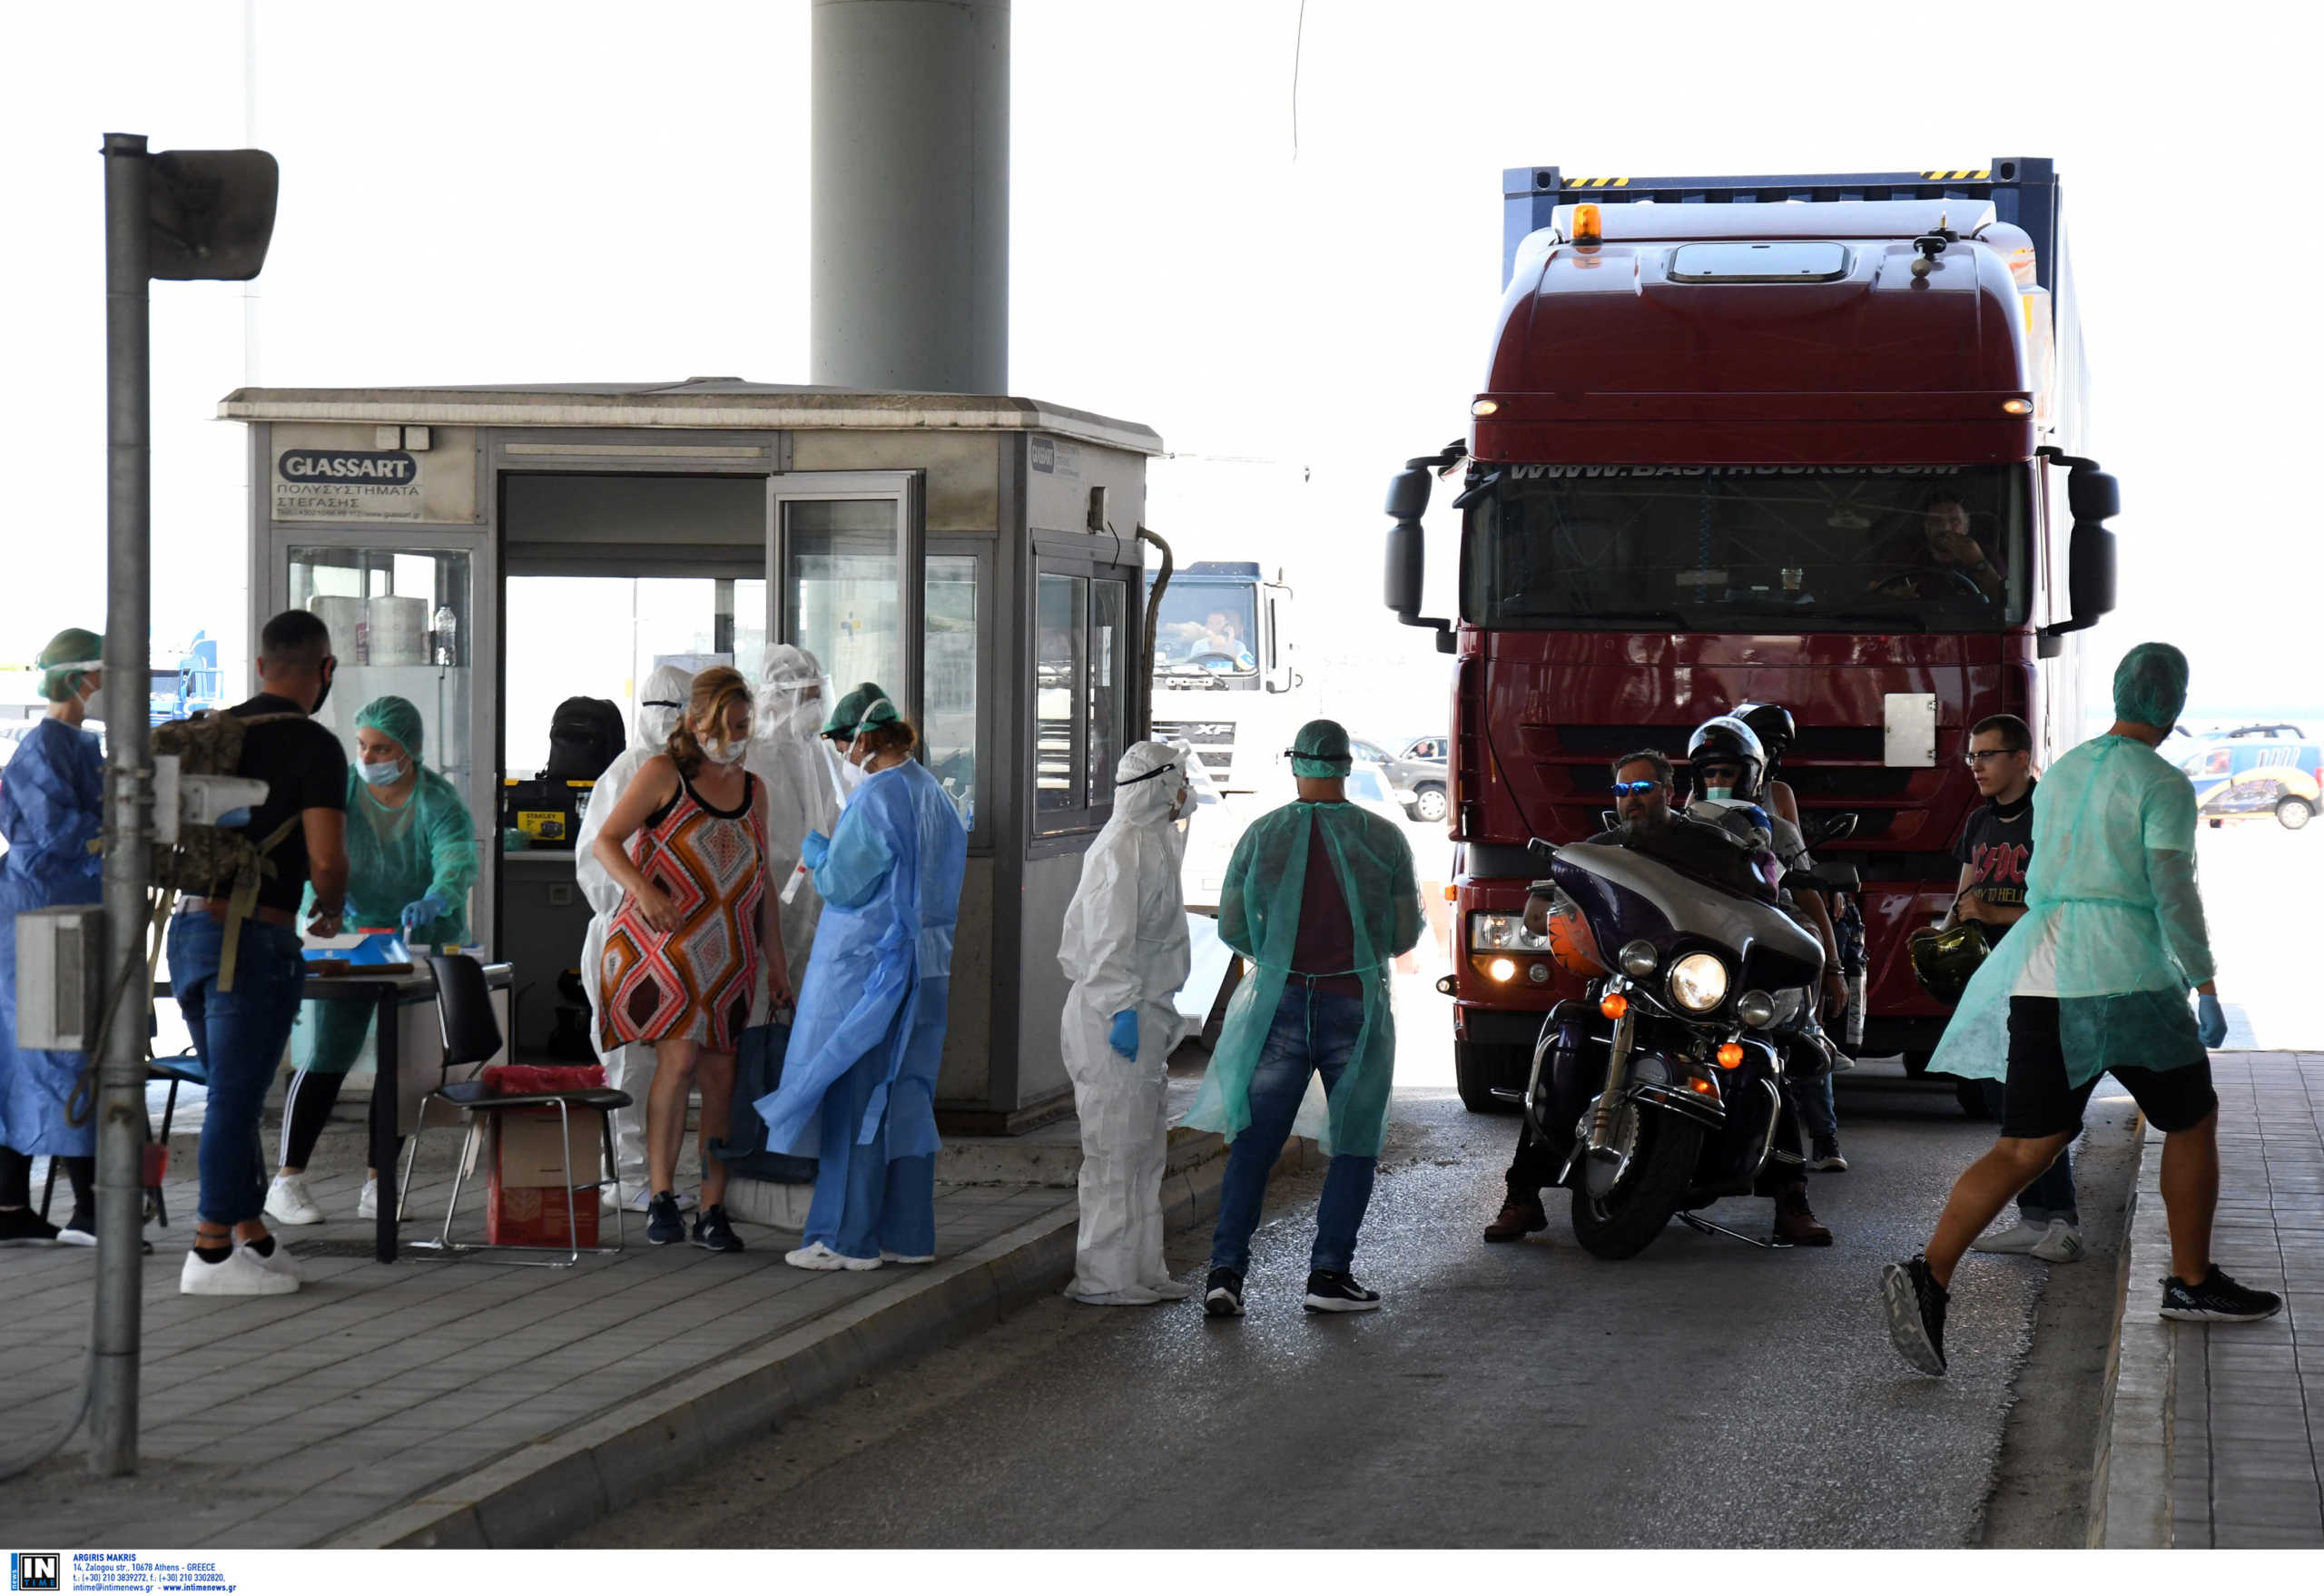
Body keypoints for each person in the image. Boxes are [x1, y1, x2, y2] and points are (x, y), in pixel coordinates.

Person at [1884, 644, 2281, 1378]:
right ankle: (2191, 1284)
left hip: (2042, 966)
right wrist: (2206, 982)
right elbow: (2173, 890)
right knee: (2192, 1117)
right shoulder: (2161, 782)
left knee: (2024, 1145)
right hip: (2123, 974)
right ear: (2173, 705)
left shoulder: (2062, 772)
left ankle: (1928, 1274)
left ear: (2120, 693)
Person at [1187, 719, 1423, 1315]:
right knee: (1354, 1144)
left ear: (1296, 765)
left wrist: (1281, 948)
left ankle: (1225, 1274)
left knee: (1254, 1144)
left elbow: (1232, 926)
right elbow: (1402, 932)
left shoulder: (1263, 835)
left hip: (1280, 1004)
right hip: (1357, 1006)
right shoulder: (1385, 838)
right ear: (1345, 766)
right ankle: (1328, 1275)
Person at [754, 685, 968, 1271]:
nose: (843, 755)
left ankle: (843, 1239)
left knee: (857, 1099)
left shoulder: (876, 802)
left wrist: (820, 854)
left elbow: (844, 886)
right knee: (906, 1099)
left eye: (845, 743)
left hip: (870, 978)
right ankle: (907, 1234)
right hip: (926, 974)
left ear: (864, 741)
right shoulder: (936, 798)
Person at [172, 610, 351, 1296]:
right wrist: (330, 909)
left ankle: (249, 1231)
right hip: (253, 938)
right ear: (324, 670)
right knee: (236, 1100)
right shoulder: (313, 745)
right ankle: (211, 1249)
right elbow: (327, 857)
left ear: (259, 667)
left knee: (231, 1094)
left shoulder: (216, 733)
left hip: (188, 933)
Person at [593, 666, 791, 1253]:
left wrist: (775, 961)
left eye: (744, 727)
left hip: (730, 953)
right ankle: (659, 1193)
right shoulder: (662, 775)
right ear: (698, 722)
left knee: (722, 1075)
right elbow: (606, 841)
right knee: (677, 1062)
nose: (737, 737)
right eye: (728, 726)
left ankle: (711, 1206)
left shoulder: (755, 790)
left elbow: (764, 881)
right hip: (670, 943)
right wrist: (644, 891)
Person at [261, 695, 478, 1227]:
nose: (369, 755)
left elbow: (457, 860)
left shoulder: (438, 801)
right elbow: (315, 850)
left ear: (411, 751)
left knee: (401, 1066)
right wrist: (331, 895)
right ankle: (286, 1180)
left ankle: (379, 1180)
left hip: (419, 941)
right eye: (362, 745)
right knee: (328, 1054)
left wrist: (439, 898)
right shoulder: (344, 792)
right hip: (351, 938)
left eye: (382, 747)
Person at [1056, 741, 1196, 1305]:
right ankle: (1103, 1277)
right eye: (1180, 779)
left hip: (1144, 1013)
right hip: (1114, 1018)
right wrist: (1121, 1009)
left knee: (1142, 1151)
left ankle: (1141, 1268)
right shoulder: (1119, 850)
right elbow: (1105, 945)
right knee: (1115, 1151)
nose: (1186, 792)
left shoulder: (1152, 843)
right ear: (1158, 784)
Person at [1943, 714, 2083, 1264]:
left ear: (2021, 758)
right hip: (1992, 980)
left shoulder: (2050, 817)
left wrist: (1992, 911)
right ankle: (2033, 1218)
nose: (1975, 766)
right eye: (1971, 756)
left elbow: (2065, 905)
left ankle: (2064, 1223)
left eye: (1987, 755)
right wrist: (1941, 934)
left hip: (2043, 978)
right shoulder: (1979, 823)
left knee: (2040, 1103)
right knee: (2003, 1098)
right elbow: (1963, 897)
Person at [0, 630, 108, 1247]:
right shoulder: (44, 746)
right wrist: (117, 828)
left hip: (63, 914)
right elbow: (49, 842)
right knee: (64, 1056)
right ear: (78, 677)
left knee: (32, 1059)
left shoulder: (77, 744)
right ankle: (91, 1210)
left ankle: (11, 1207)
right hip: (43, 918)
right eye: (99, 670)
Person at [576, 663, 693, 1211]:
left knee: (667, 1065)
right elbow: (596, 863)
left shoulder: (684, 772)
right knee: (628, 1063)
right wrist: (638, 910)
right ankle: (624, 1176)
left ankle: (657, 1174)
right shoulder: (629, 772)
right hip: (624, 941)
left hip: (672, 942)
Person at [1735, 700, 1851, 1173]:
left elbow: (1795, 867)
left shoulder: (1777, 799)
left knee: (1798, 1021)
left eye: (1776, 747)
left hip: (1774, 914)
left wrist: (1832, 966)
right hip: (1724, 918)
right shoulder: (1696, 803)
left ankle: (1824, 1138)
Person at [746, 645, 845, 995]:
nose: (816, 708)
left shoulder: (820, 753)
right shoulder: (750, 755)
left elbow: (840, 816)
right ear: (777, 696)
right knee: (760, 1004)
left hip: (815, 903)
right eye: (808, 697)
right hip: (764, 907)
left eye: (818, 696)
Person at [1870, 491, 2004, 604]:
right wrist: (1893, 596)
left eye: (1955, 521)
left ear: (1967, 525)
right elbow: (1872, 595)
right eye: (1936, 521)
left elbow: (2006, 602)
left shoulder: (1987, 555)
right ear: (1926, 526)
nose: (1945, 528)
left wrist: (1978, 562)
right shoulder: (1903, 555)